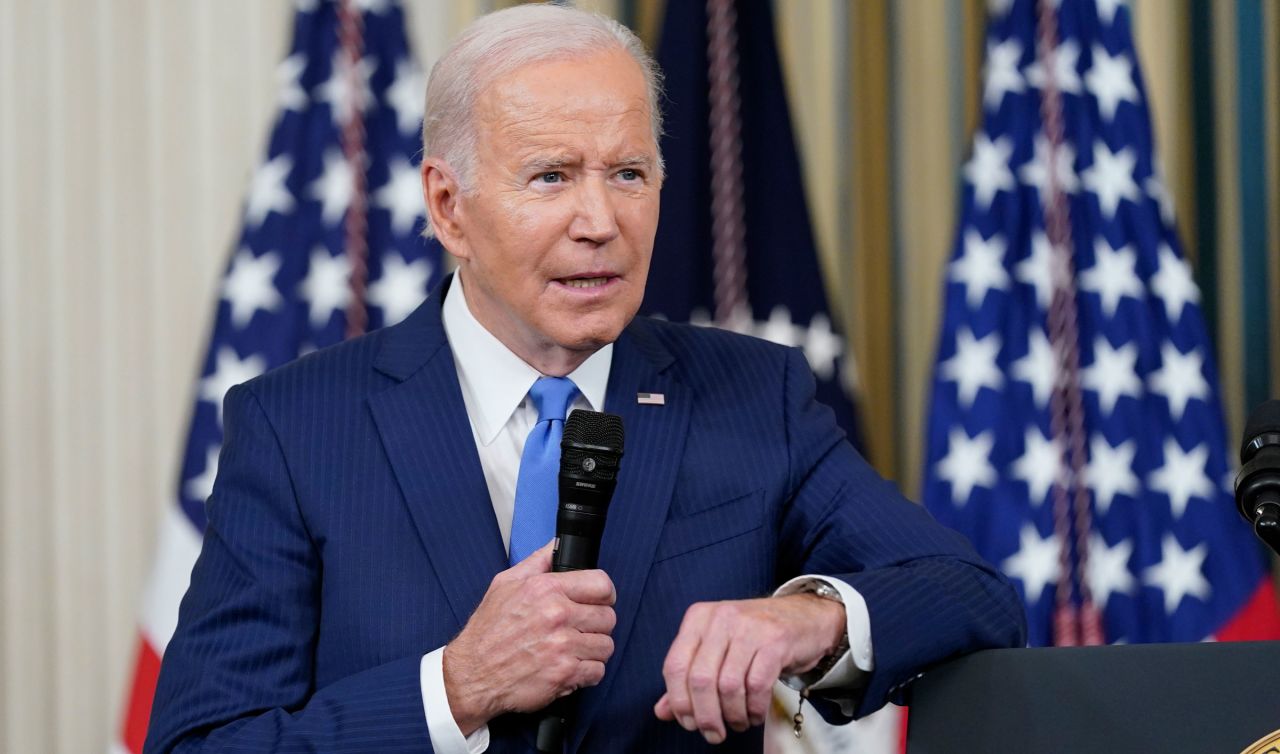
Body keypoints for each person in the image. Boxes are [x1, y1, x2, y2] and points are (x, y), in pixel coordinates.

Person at [144, 5, 1026, 753]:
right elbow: (202, 741)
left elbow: (969, 592)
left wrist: (806, 618)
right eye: (551, 176)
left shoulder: (754, 397)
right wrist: (454, 687)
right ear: (449, 206)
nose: (599, 221)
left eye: (629, 174)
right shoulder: (300, 428)